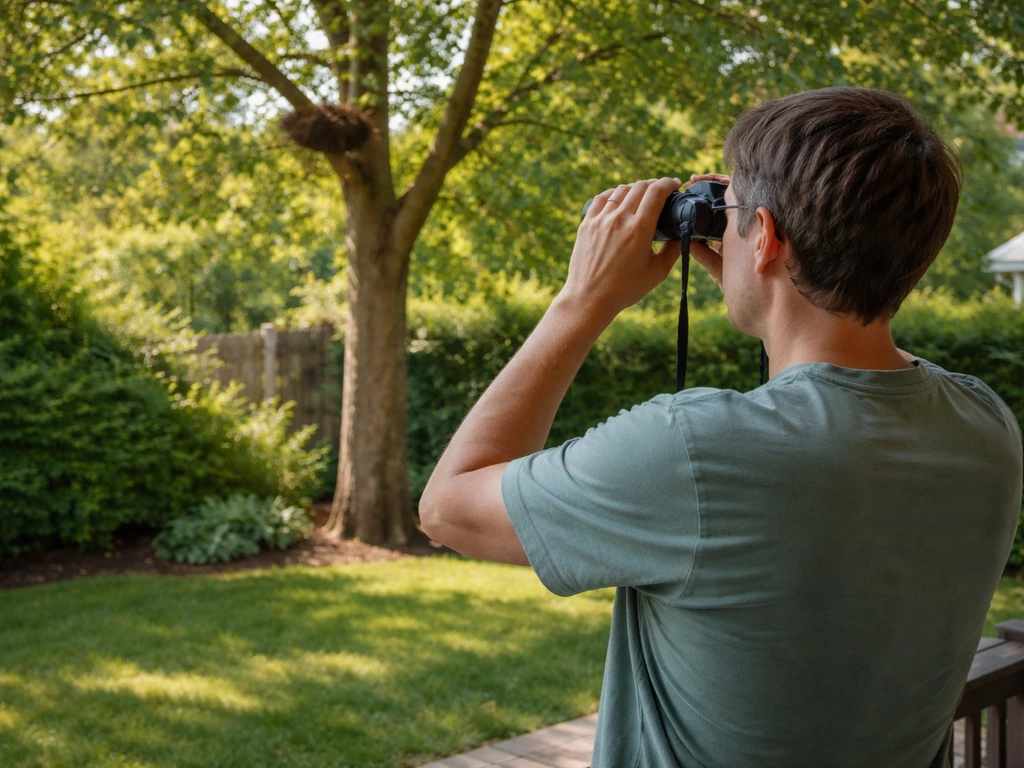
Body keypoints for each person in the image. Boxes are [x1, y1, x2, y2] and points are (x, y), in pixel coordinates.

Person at [418, 87, 1023, 767]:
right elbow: (826, 431)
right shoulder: (985, 425)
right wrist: (766, 289)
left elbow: (448, 508)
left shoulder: (693, 451)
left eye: (729, 212)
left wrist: (581, 302)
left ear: (764, 236)